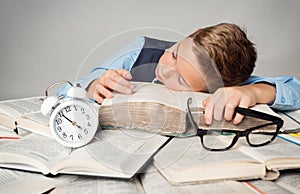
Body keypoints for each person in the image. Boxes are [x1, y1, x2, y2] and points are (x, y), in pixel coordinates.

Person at [59, 23, 300, 125]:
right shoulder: (138, 49)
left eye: (182, 80)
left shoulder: (225, 82)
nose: (165, 69)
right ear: (190, 35)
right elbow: (66, 90)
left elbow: (294, 89)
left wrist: (254, 91)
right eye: (174, 54)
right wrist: (93, 87)